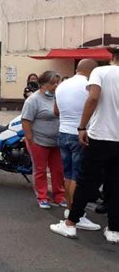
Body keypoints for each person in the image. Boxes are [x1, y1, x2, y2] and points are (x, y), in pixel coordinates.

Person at [50, 47, 119, 244]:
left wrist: (82, 127)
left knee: (85, 180)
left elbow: (93, 98)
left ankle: (71, 223)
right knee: (115, 184)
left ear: (112, 57)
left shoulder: (100, 72)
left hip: (100, 135)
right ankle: (114, 230)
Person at [54, 59, 100, 230]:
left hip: (63, 132)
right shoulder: (89, 85)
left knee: (68, 174)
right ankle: (77, 215)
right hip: (80, 134)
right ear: (93, 71)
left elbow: (56, 111)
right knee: (77, 176)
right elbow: (95, 105)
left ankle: (69, 209)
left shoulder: (62, 85)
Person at [21, 71, 67, 209]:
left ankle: (59, 196)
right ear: (43, 84)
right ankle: (42, 196)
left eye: (56, 83)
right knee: (40, 170)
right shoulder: (33, 100)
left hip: (57, 142)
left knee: (58, 170)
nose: (55, 86)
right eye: (52, 83)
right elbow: (26, 120)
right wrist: (30, 139)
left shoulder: (57, 97)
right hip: (39, 141)